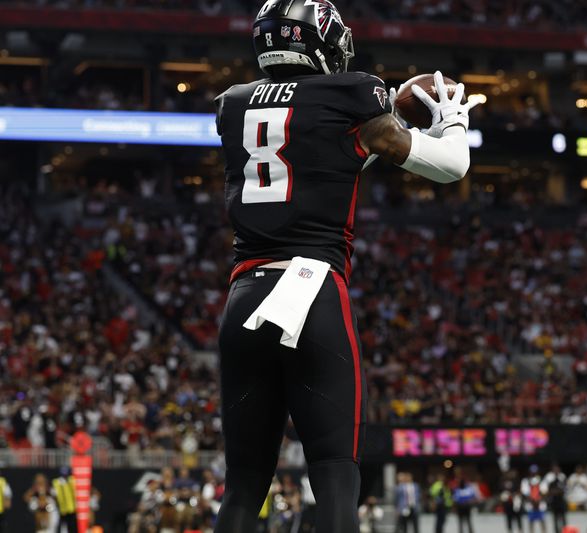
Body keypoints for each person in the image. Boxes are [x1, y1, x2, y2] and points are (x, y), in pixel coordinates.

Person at [213, 0, 480, 530]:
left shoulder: (233, 104)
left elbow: (327, 150)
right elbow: (453, 167)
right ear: (321, 42)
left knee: (243, 486)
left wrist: (391, 118)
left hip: (243, 298)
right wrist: (450, 120)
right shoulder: (351, 91)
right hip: (312, 291)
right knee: (336, 476)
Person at [521, 466, 546, 533]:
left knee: (542, 520)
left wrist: (538, 499)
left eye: (535, 472)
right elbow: (524, 492)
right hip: (530, 503)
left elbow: (544, 491)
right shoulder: (526, 480)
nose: (534, 473)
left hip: (540, 503)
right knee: (531, 521)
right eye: (532, 472)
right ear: (530, 472)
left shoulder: (541, 480)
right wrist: (532, 500)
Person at [52, 467, 78, 533]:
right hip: (62, 510)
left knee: (72, 528)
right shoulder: (56, 482)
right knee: (61, 528)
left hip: (72, 510)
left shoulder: (72, 480)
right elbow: (54, 495)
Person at [542, 465, 567, 533]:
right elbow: (549, 491)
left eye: (557, 470)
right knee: (555, 519)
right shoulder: (551, 481)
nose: (556, 471)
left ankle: (565, 531)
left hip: (561, 501)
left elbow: (564, 489)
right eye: (554, 470)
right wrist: (555, 492)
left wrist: (557, 491)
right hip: (554, 502)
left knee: (563, 519)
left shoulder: (562, 479)